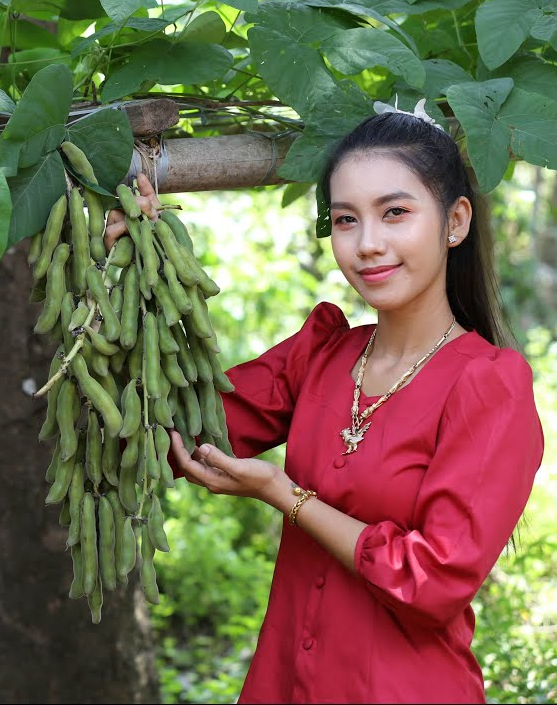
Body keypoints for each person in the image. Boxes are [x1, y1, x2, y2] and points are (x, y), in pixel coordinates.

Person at [103, 105, 545, 703]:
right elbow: (177, 426)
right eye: (344, 220)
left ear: (455, 221)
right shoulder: (323, 355)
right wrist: (139, 269)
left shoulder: (490, 385)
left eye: (395, 213)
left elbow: (434, 582)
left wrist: (282, 493)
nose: (367, 244)